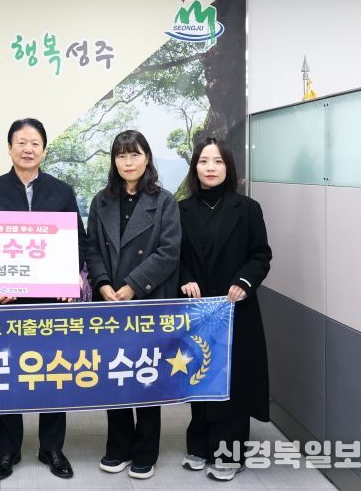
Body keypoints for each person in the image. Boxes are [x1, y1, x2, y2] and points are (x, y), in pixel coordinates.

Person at [0, 118, 87, 480]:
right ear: (9, 148)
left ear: (44, 149)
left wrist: (70, 276)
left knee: (53, 371)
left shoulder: (61, 191)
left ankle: (51, 448)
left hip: (51, 301)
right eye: (21, 142)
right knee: (9, 373)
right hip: (7, 303)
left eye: (35, 143)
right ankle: (8, 450)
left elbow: (78, 241)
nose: (28, 149)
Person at [86, 130, 181, 480]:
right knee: (116, 375)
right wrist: (103, 283)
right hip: (110, 302)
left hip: (148, 301)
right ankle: (118, 446)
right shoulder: (101, 201)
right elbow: (92, 247)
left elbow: (169, 251)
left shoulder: (164, 201)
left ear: (147, 158)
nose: (128, 162)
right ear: (114, 161)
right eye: (121, 155)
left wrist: (133, 286)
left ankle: (145, 451)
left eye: (135, 154)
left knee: (146, 375)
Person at [178, 137, 272, 481]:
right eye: (204, 161)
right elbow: (175, 257)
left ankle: (229, 454)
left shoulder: (247, 208)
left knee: (233, 383)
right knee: (200, 376)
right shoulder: (180, 210)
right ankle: (199, 445)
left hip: (236, 309)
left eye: (218, 161)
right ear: (195, 167)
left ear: (228, 167)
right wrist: (185, 279)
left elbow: (261, 255)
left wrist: (244, 282)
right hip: (199, 310)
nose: (211, 168)